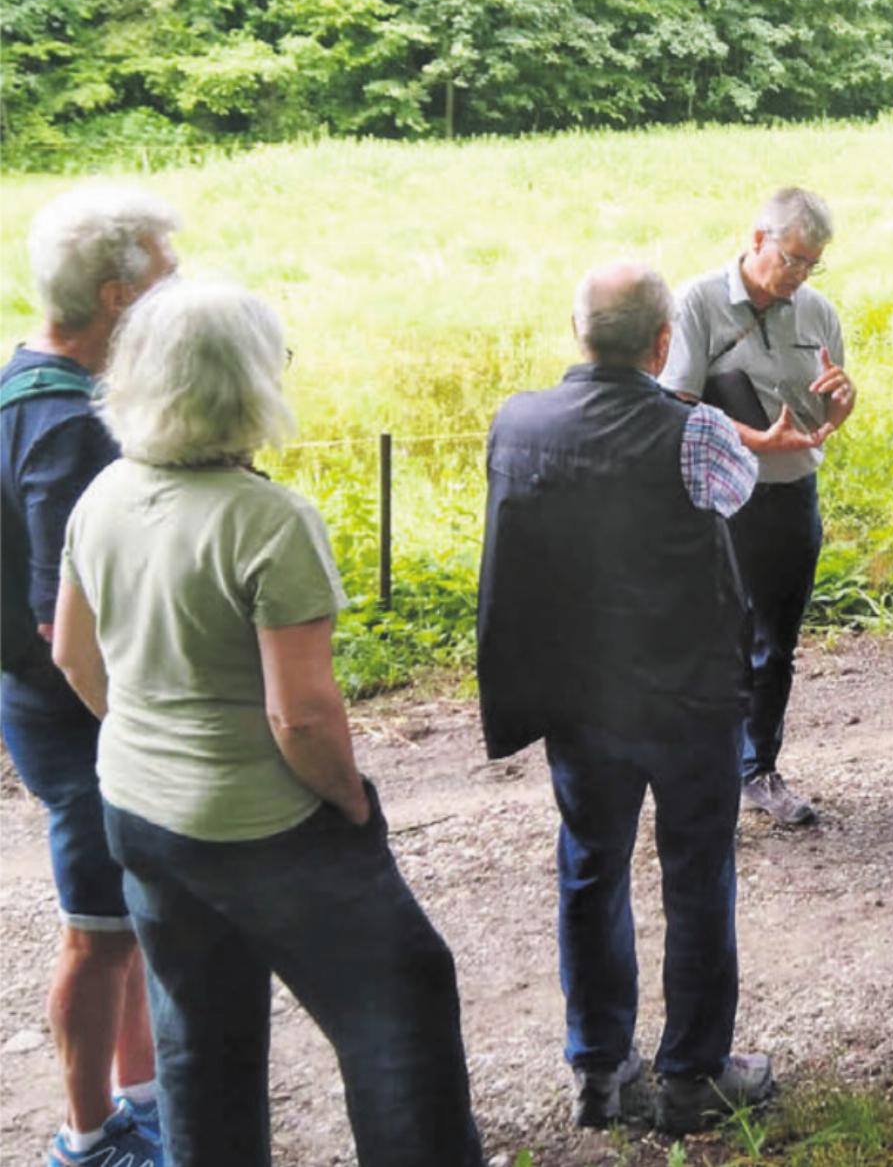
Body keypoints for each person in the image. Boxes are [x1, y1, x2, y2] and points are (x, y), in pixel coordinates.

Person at [52, 279, 483, 1167]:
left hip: (138, 811)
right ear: (251, 383)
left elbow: (72, 656)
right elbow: (302, 717)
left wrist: (152, 739)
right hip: (264, 825)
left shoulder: (102, 494)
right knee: (402, 998)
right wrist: (353, 806)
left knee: (201, 1033)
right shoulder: (269, 522)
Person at [477, 261, 775, 1135]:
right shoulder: (697, 433)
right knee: (696, 874)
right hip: (687, 700)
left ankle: (599, 1069)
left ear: (578, 334)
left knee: (591, 869)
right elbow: (738, 494)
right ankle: (693, 1072)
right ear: (661, 343)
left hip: (578, 699)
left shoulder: (517, 423)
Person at [1, 184, 177, 1167]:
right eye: (164, 276)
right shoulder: (67, 421)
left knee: (123, 916)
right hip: (76, 716)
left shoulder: (24, 377)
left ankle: (141, 1095)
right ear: (117, 296)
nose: (177, 293)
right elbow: (59, 618)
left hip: (55, 706)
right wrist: (134, 723)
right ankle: (88, 1134)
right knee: (97, 929)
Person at [659, 188, 856, 827]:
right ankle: (701, 778)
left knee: (778, 643)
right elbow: (673, 407)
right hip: (721, 498)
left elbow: (829, 409)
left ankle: (758, 770)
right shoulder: (698, 303)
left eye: (811, 265)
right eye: (792, 259)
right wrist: (753, 439)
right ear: (757, 240)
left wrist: (843, 402)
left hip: (794, 492)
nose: (799, 276)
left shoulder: (818, 312)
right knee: (715, 640)